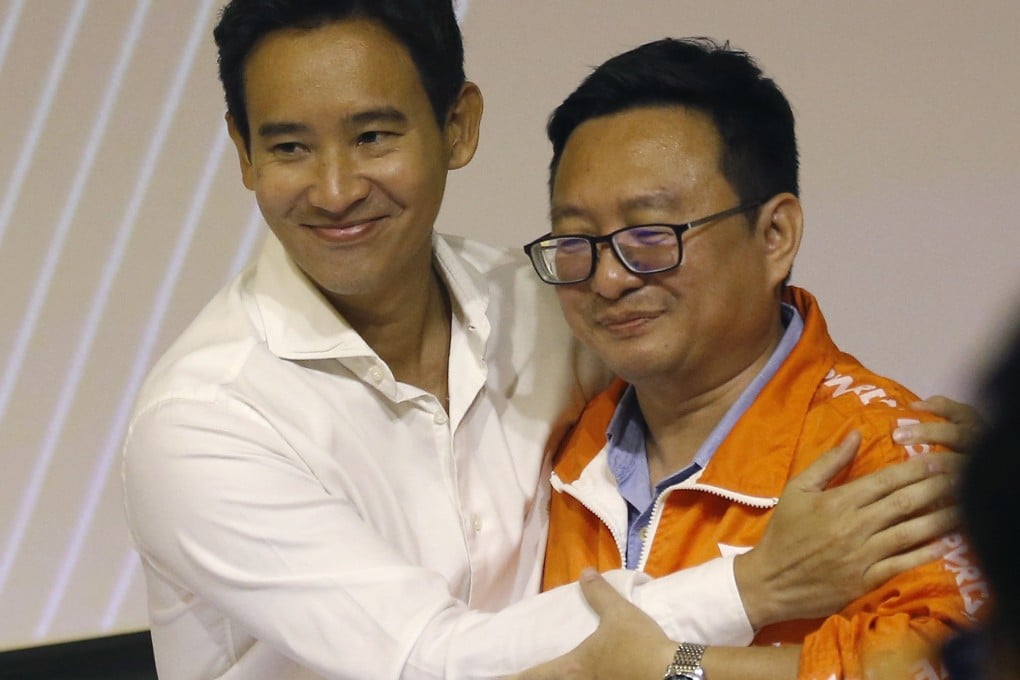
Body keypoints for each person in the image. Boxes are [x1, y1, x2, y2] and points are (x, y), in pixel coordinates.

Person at [121, 3, 976, 678]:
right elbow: (427, 662)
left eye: (374, 135)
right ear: (240, 151)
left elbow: (741, 344)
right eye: (290, 146)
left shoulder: (543, 306)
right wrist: (750, 592)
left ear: (457, 126)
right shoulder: (206, 419)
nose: (337, 188)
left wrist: (989, 473)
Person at [528, 37, 989, 679]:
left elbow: (955, 666)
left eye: (651, 235)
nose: (608, 279)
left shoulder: (890, 453)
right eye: (578, 240)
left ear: (775, 236)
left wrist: (678, 668)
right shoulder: (546, 451)